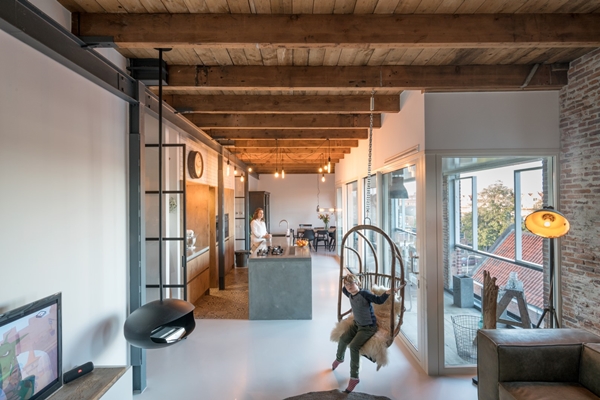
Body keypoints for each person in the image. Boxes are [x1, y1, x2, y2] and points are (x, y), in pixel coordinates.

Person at [332, 273, 395, 393]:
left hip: (368, 327)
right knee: (343, 338)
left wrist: (387, 293)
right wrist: (345, 278)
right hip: (357, 324)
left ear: (358, 283)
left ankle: (354, 377)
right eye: (347, 284)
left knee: (354, 347)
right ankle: (339, 358)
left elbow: (378, 300)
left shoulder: (364, 294)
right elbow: (343, 288)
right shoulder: (349, 293)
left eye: (351, 283)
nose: (349, 286)